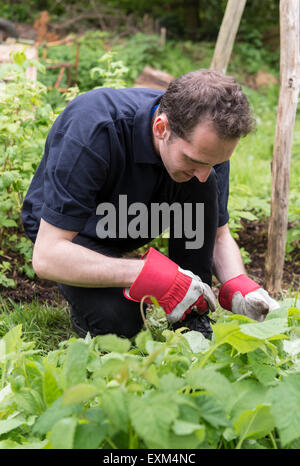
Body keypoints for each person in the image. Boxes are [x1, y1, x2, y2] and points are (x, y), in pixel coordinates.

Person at [21, 69, 279, 340]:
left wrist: (238, 285)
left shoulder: (208, 147)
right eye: (195, 161)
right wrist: (152, 274)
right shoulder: (94, 128)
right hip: (72, 233)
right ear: (161, 128)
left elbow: (217, 235)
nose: (205, 174)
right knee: (120, 323)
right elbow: (48, 256)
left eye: (213, 163)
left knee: (202, 183)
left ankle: (192, 313)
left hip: (128, 219)